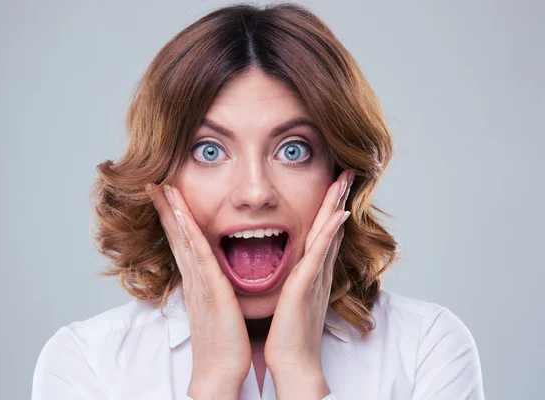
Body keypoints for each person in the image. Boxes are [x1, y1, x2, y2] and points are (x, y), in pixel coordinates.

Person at [32, 3, 484, 399]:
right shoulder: (87, 365)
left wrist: (299, 374)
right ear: (163, 177)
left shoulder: (428, 349)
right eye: (209, 151)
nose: (254, 192)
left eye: (293, 150)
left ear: (342, 174)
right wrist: (214, 381)